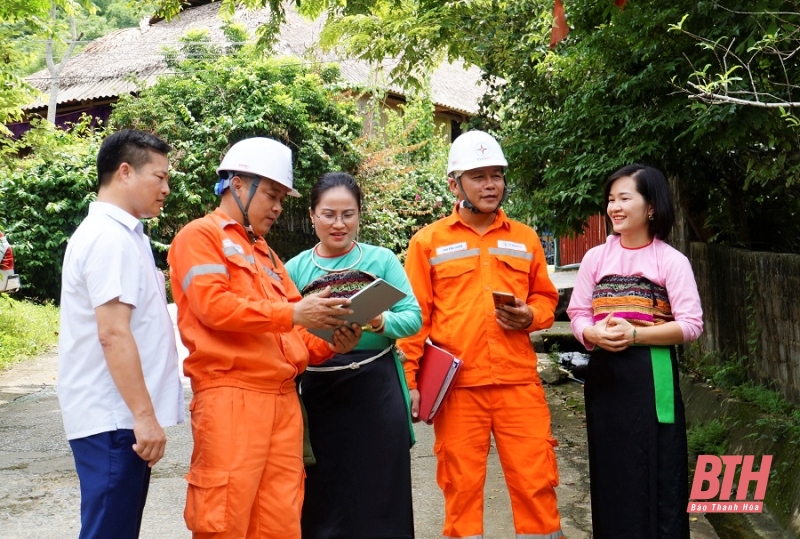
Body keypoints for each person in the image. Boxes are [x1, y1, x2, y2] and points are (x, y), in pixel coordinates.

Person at [168, 137, 361, 539]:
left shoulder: (267, 255)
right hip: (231, 397)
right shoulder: (199, 236)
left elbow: (297, 334)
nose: (276, 207)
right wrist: (293, 312)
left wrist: (333, 341)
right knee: (225, 518)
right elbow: (214, 308)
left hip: (282, 401)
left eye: (281, 199)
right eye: (271, 195)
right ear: (237, 185)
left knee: (281, 519)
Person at [398, 130, 564, 539]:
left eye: (497, 175)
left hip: (517, 384)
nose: (491, 185)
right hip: (458, 388)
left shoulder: (524, 239)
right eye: (479, 177)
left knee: (536, 483)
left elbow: (546, 299)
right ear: (455, 183)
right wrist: (410, 380)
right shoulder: (428, 242)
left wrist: (530, 316)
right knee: (461, 490)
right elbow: (414, 317)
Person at [57, 129, 184, 539]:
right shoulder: (109, 238)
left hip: (116, 416)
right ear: (125, 172)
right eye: (159, 177)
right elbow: (112, 333)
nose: (166, 188)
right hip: (113, 417)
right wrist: (144, 419)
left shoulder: (126, 235)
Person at [566, 164, 704, 538]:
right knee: (612, 471)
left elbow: (691, 325)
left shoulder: (671, 261)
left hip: (651, 374)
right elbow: (577, 312)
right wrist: (592, 332)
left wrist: (636, 336)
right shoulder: (596, 258)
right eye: (611, 199)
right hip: (605, 379)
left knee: (656, 471)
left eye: (625, 198)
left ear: (652, 207)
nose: (615, 207)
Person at [284, 172, 422, 539]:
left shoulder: (382, 260)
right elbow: (282, 328)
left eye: (348, 214)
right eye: (329, 214)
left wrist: (378, 320)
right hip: (320, 390)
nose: (339, 223)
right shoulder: (295, 269)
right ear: (312, 215)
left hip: (376, 385)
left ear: (360, 214)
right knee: (325, 493)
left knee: (382, 490)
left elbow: (413, 318)